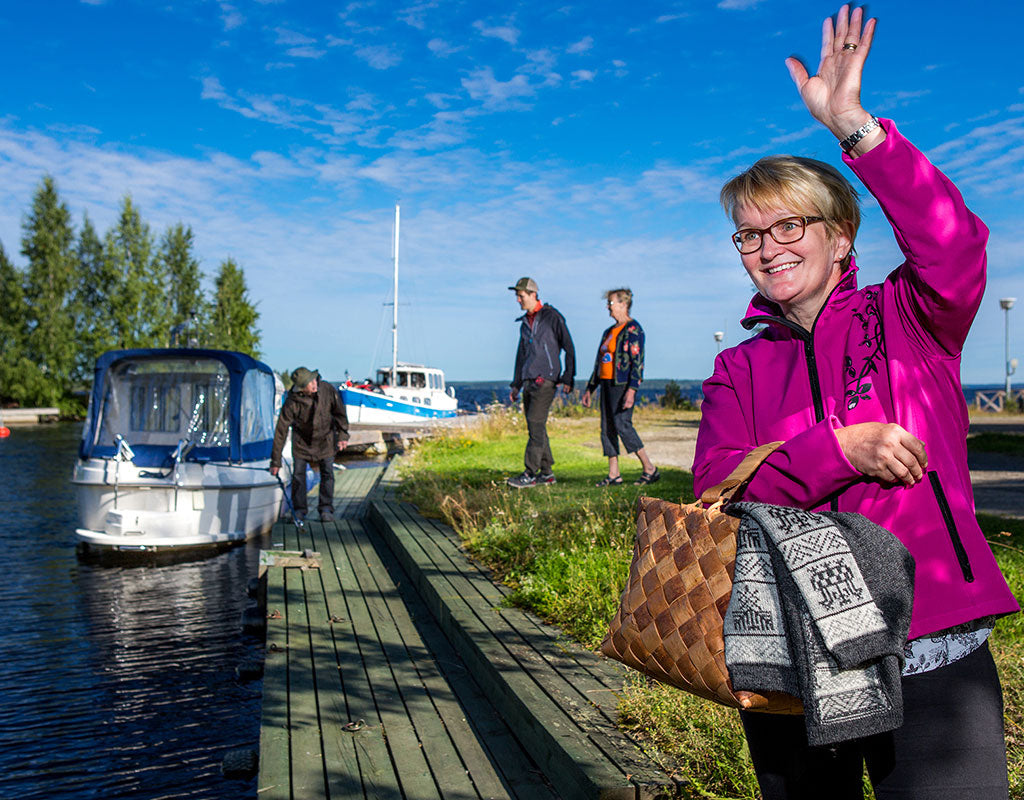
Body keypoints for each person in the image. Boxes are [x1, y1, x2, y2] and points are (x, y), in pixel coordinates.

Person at [692, 6, 1019, 798]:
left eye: (789, 225)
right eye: (748, 235)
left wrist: (855, 127)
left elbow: (954, 239)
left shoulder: (911, 317)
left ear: (841, 237)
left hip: (932, 649)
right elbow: (720, 492)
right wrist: (836, 451)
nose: (768, 247)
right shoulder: (737, 370)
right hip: (792, 654)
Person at [581, 288, 659, 485]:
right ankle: (614, 474)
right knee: (607, 427)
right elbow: (599, 363)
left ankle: (649, 468)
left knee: (622, 424)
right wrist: (590, 389)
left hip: (622, 384)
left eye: (611, 303)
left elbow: (638, 362)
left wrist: (632, 390)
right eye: (608, 303)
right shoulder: (608, 332)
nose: (608, 306)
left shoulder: (634, 329)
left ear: (624, 304)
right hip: (606, 383)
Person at [507, 276, 576, 488]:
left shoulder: (552, 317)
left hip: (546, 380)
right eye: (517, 296)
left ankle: (530, 472)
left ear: (533, 294)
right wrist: (516, 384)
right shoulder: (524, 324)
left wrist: (568, 376)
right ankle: (546, 473)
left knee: (535, 424)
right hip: (528, 381)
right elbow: (521, 355)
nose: (518, 300)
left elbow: (569, 347)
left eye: (521, 296)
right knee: (536, 427)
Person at [270, 367, 349, 523]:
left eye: (314, 380)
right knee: (298, 476)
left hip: (325, 440)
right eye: (310, 383)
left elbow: (340, 413)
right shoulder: (292, 401)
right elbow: (281, 430)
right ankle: (299, 511)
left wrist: (342, 436)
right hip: (302, 443)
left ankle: (326, 509)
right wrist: (275, 461)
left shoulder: (327, 389)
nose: (314, 384)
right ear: (301, 388)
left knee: (327, 474)